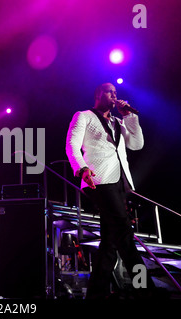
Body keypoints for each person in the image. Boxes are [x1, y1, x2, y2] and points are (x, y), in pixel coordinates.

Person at [65, 82, 153, 299]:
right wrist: (81, 168)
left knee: (110, 241)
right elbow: (71, 144)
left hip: (120, 181)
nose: (115, 96)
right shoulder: (83, 116)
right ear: (98, 94)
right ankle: (145, 289)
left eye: (116, 93)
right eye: (110, 92)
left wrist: (130, 117)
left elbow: (137, 144)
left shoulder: (118, 121)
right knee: (124, 233)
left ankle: (96, 292)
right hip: (99, 179)